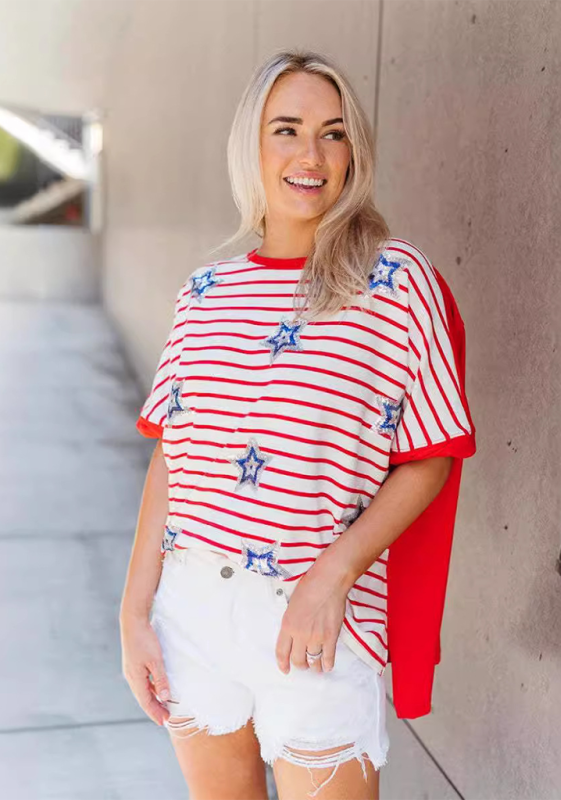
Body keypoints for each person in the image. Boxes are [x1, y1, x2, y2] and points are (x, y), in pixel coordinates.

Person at [119, 48, 476, 800]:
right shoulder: (205, 292)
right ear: (252, 144)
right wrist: (134, 616)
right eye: (287, 129)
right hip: (191, 610)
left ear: (355, 152)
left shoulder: (396, 281)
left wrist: (333, 575)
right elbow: (172, 461)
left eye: (334, 133)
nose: (311, 155)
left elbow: (431, 455)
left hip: (315, 622)